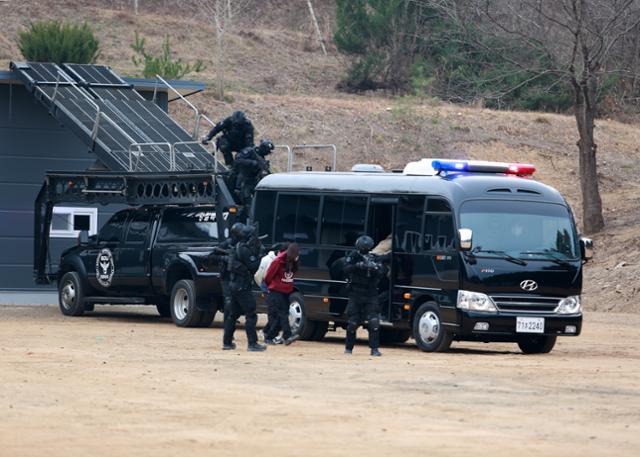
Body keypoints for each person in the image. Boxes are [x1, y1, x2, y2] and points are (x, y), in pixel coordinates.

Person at [222, 222, 266, 352]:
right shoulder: (244, 249)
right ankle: (252, 344)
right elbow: (253, 266)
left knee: (232, 314)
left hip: (234, 285)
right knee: (251, 314)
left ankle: (227, 342)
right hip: (242, 286)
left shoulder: (236, 247)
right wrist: (261, 255)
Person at [343, 235, 385, 357]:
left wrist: (374, 268)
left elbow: (382, 273)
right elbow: (345, 269)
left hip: (371, 293)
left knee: (374, 322)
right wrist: (358, 266)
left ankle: (374, 349)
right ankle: (348, 349)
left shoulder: (374, 258)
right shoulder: (353, 256)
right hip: (355, 292)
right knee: (353, 322)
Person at [263, 243, 300, 346]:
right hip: (276, 291)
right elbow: (268, 277)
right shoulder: (278, 261)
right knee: (282, 314)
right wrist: (274, 286)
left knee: (282, 315)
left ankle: (269, 336)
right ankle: (287, 335)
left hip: (286, 291)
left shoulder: (293, 262)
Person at [232, 139, 275, 206]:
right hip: (243, 179)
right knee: (246, 201)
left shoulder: (261, 158)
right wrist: (251, 163)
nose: (268, 154)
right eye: (268, 151)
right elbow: (238, 159)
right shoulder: (250, 151)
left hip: (253, 180)